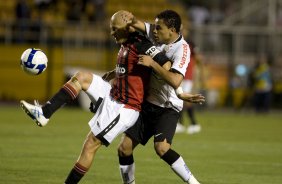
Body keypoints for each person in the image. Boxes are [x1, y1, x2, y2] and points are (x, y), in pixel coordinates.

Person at [20, 10, 172, 183]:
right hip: (114, 96)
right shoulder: (125, 44)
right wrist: (113, 76)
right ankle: (45, 112)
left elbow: (166, 64)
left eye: (115, 29)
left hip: (126, 108)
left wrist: (153, 63)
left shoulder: (142, 45)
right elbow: (131, 72)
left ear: (128, 29)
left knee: (90, 144)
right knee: (82, 77)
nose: (112, 32)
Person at [117, 10, 202, 184]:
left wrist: (153, 64)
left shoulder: (182, 49)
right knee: (124, 148)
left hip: (168, 106)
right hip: (148, 104)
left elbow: (176, 80)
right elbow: (139, 24)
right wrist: (129, 18)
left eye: (159, 28)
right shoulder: (159, 36)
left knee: (162, 148)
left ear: (172, 30)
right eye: (154, 27)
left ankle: (193, 182)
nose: (154, 31)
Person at [176, 41, 203, 134]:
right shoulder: (177, 42)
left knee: (185, 99)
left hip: (187, 77)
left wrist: (198, 73)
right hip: (180, 75)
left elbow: (199, 58)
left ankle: (194, 124)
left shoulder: (190, 43)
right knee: (179, 100)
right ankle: (180, 124)